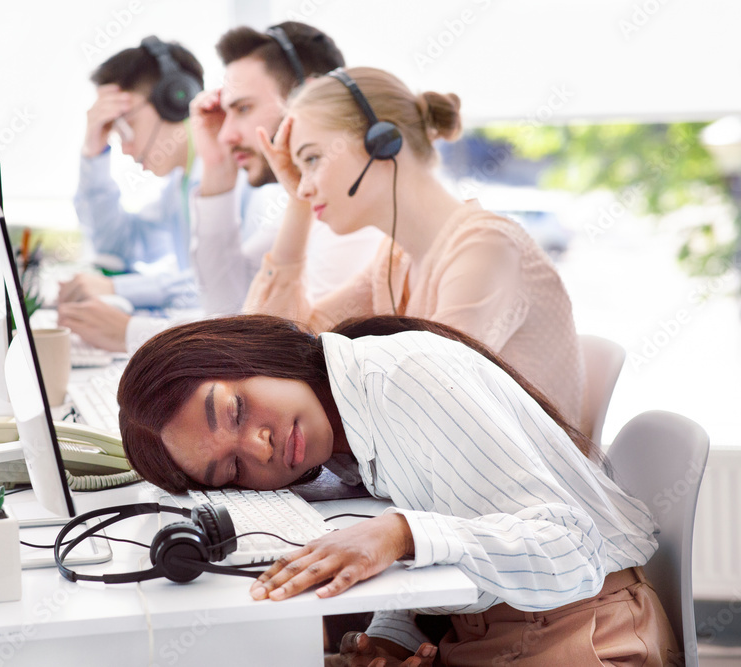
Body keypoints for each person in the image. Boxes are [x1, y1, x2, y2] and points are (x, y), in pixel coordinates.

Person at [116, 314, 679, 666]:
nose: (260, 448)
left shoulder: (403, 379)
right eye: (232, 471)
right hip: (488, 634)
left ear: (253, 353)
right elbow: (459, 531)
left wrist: (399, 533)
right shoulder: (346, 440)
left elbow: (571, 551)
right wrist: (391, 637)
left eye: (235, 410)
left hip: (591, 637)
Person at [244, 67, 586, 432]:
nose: (305, 186)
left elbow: (431, 400)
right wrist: (297, 207)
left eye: (311, 160)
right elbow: (279, 348)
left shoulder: (485, 250)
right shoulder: (395, 261)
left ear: (382, 142)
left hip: (523, 488)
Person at [188, 22, 386, 318]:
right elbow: (224, 306)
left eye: (243, 109)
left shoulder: (351, 210)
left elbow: (295, 351)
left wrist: (130, 333)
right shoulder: (300, 203)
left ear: (308, 97)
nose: (226, 134)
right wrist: (217, 167)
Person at [57, 37, 203, 348]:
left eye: (126, 126)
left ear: (176, 99)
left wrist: (116, 289)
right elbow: (118, 245)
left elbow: (224, 291)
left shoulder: (240, 178)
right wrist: (93, 152)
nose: (124, 147)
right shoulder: (180, 187)